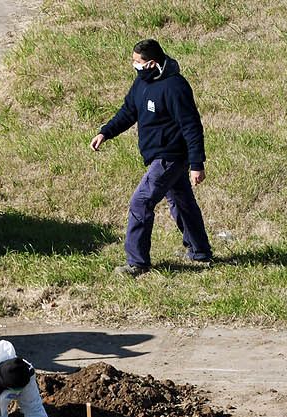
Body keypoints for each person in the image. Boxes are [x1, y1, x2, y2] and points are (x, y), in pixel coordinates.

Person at [91, 38, 213, 276]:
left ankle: (137, 262)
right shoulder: (142, 83)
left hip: (170, 157)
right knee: (182, 203)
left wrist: (197, 164)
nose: (134, 66)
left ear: (152, 63)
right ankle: (200, 252)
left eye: (137, 62)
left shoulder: (175, 87)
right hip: (159, 156)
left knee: (141, 201)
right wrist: (105, 132)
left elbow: (191, 126)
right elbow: (128, 112)